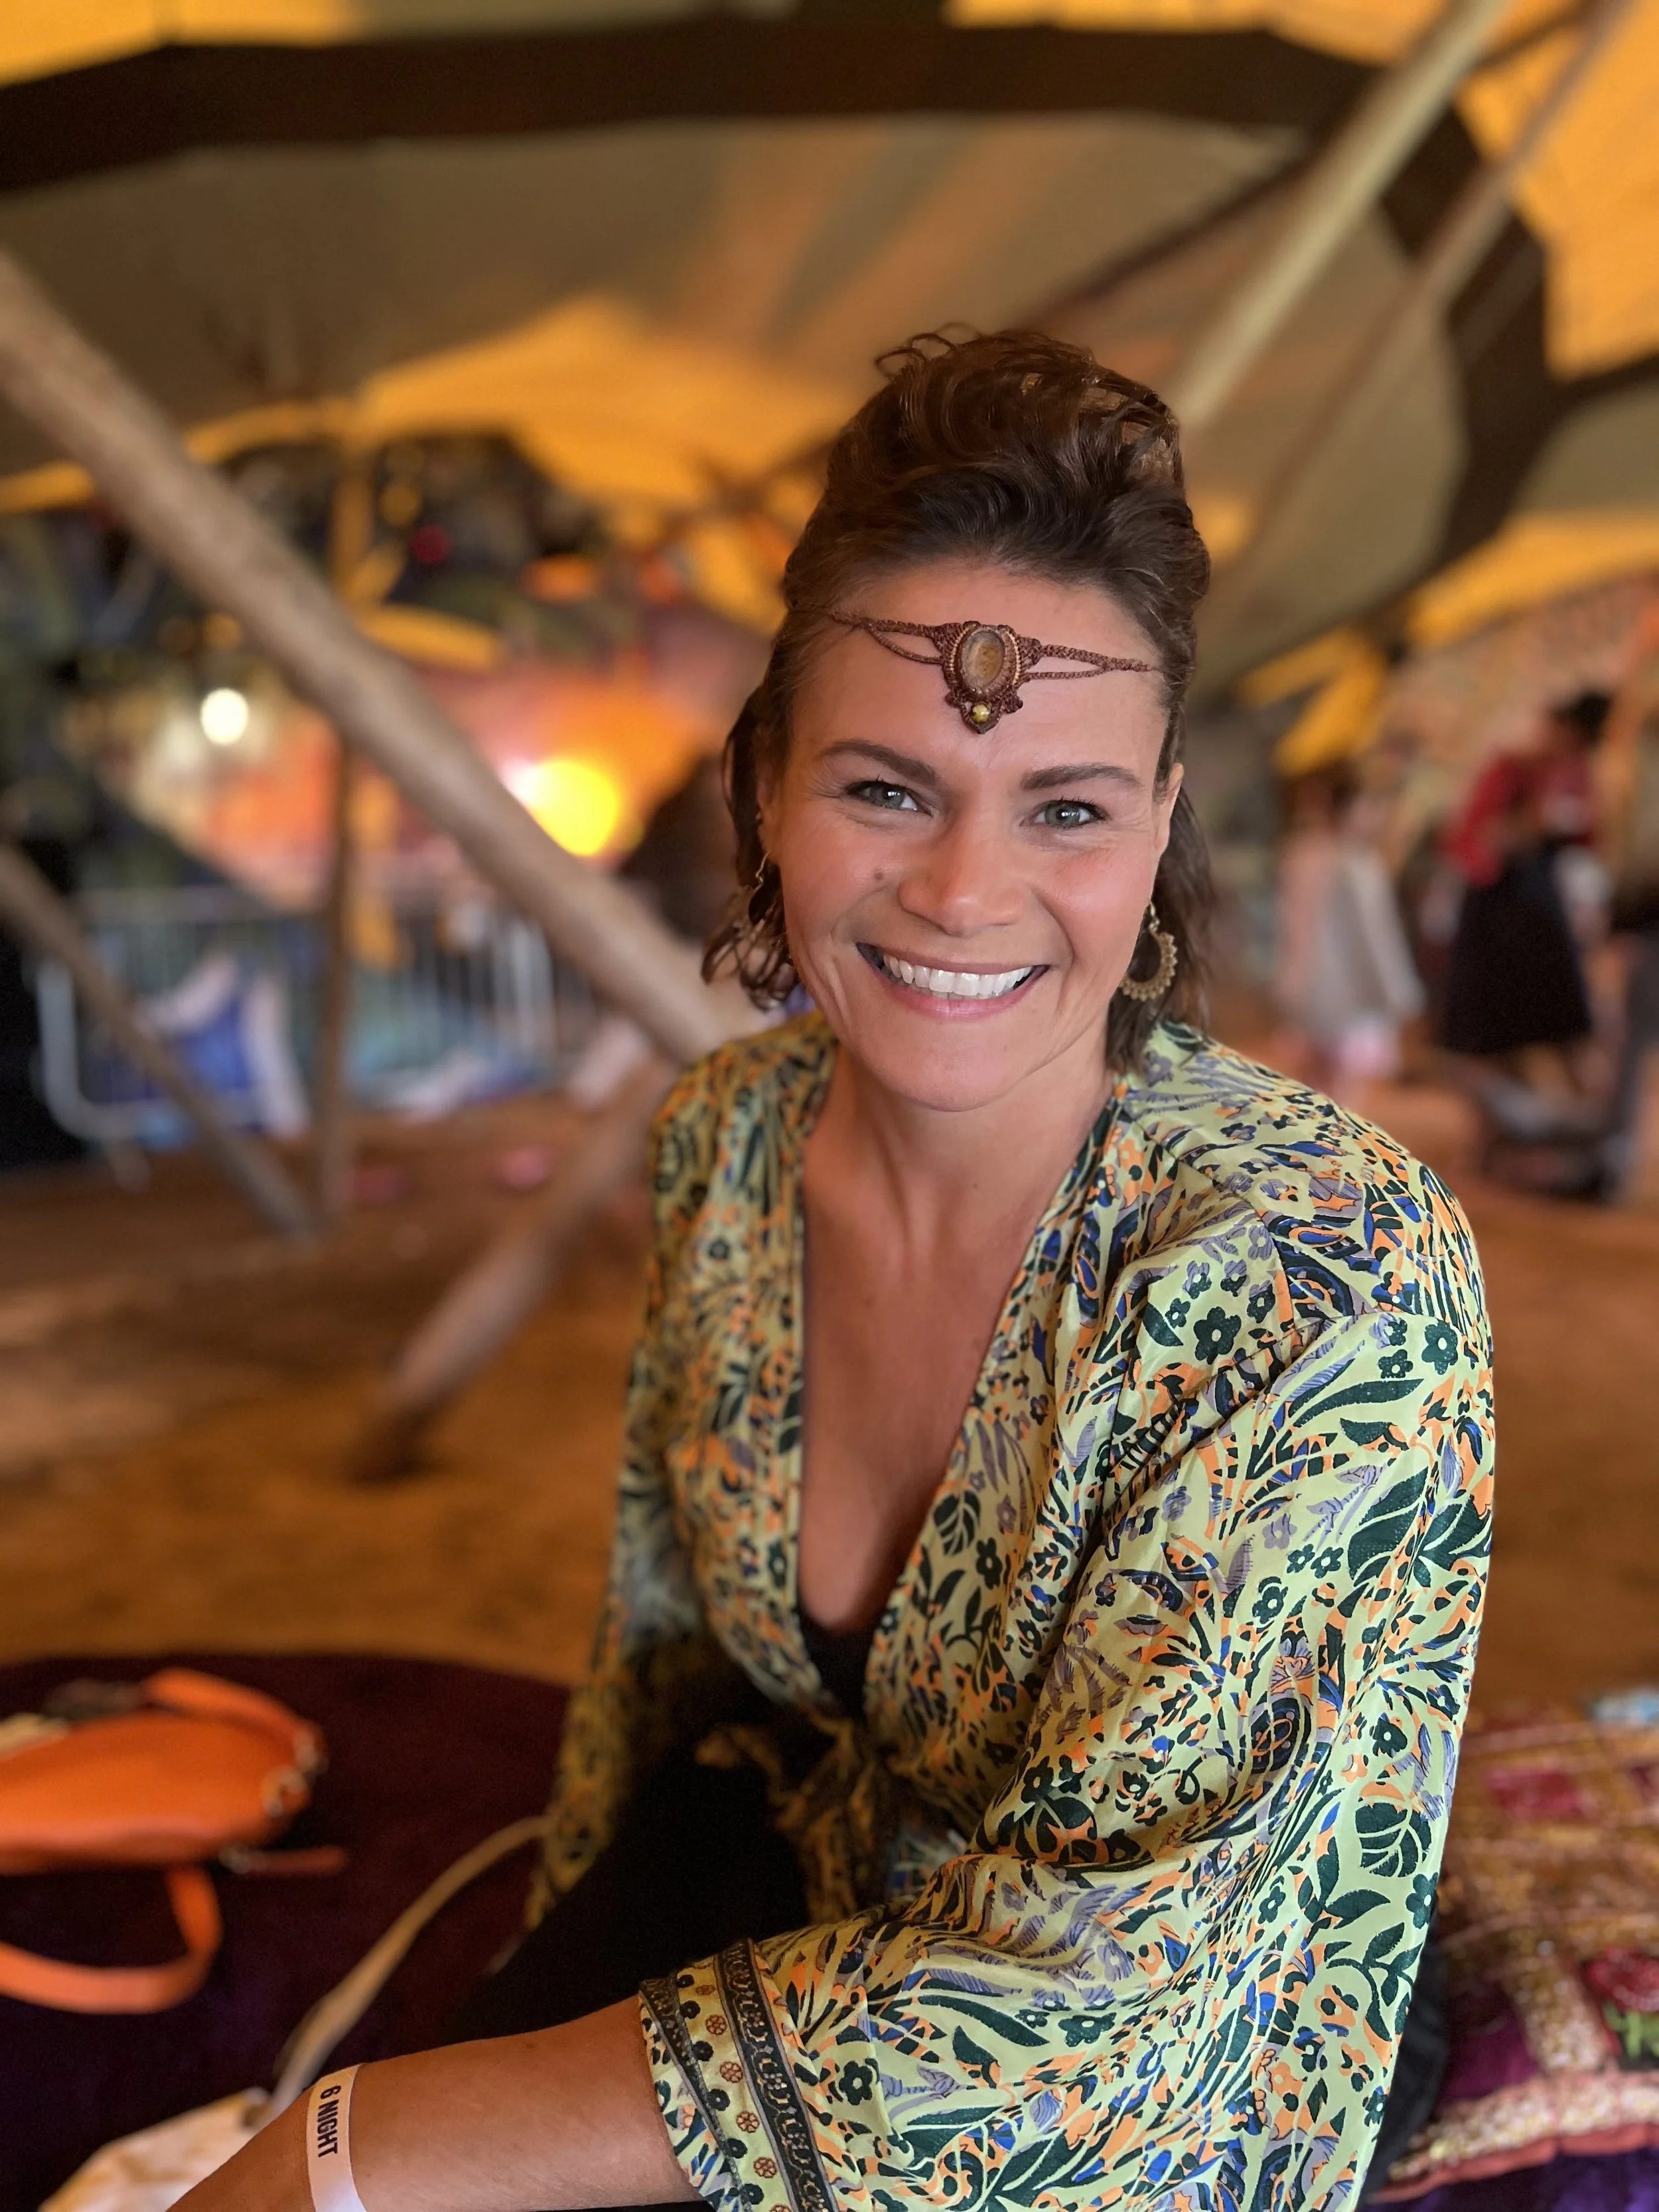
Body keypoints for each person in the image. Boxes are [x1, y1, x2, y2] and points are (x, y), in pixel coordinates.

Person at [180, 332, 1492, 2212]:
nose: (965, 892)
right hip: (788, 1910)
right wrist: (505, 2013)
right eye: (884, 789)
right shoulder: (726, 1144)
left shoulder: (1317, 1271)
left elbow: (1114, 2015)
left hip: (1153, 2078)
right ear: (765, 784)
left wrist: (363, 2140)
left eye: (1064, 805)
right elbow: (658, 1668)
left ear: (1158, 818)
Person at [1439, 693, 1609, 1084]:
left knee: (1562, 1026)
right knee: (1499, 1032)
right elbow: (1472, 843)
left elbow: (1590, 839)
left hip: (1538, 907)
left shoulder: (1571, 773)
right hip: (1500, 911)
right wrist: (1527, 826)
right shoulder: (1511, 769)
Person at [1274, 767, 1424, 1099]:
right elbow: (1375, 938)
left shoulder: (1302, 853)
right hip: (1349, 991)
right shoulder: (1358, 865)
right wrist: (1397, 992)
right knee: (1341, 1088)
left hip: (1304, 982)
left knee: (1312, 1079)